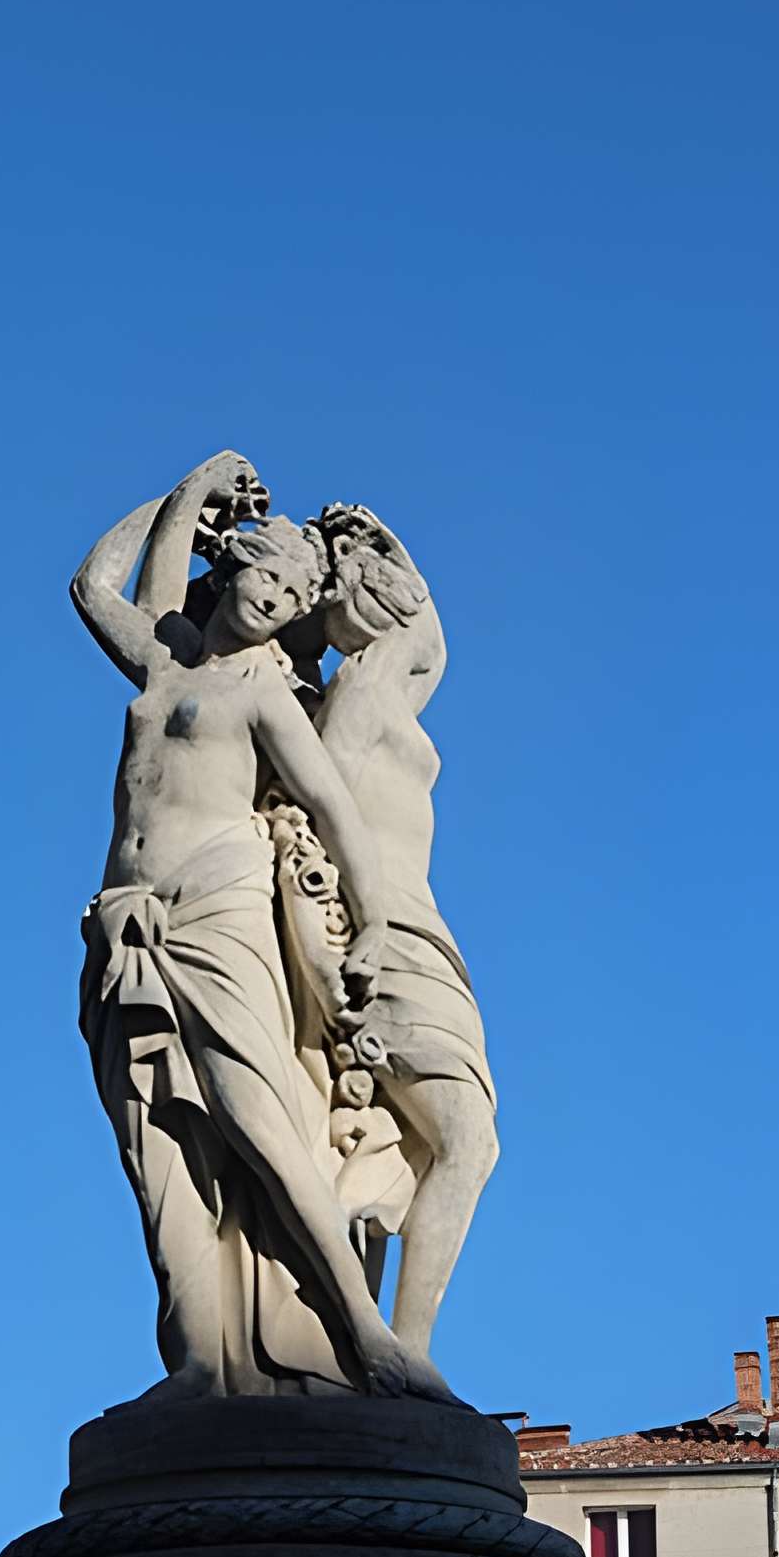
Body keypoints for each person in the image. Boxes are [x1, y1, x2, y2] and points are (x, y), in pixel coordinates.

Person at [71, 452, 451, 1402]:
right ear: (233, 566)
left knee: (260, 1124)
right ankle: (200, 1362)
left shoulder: (265, 695)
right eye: (263, 577)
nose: (273, 598)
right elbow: (92, 586)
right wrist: (188, 493)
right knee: (159, 1147)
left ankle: (367, 1335)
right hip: (123, 927)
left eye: (290, 595)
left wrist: (369, 925)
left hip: (219, 911)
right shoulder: (161, 662)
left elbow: (334, 812)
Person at [306, 504, 499, 1354]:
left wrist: (380, 536)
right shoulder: (354, 691)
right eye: (361, 583)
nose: (386, 595)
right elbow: (319, 816)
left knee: (415, 1146)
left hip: (424, 935)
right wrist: (350, 938)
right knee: (464, 1139)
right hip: (387, 936)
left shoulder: (385, 680)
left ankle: (368, 1344)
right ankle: (405, 1348)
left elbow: (433, 640)